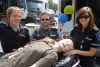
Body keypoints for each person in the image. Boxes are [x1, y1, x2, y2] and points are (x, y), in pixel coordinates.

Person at [0, 37, 74, 67]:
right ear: (61, 40)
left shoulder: (53, 55)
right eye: (67, 41)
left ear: (66, 50)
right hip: (6, 59)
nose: (67, 43)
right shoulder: (45, 42)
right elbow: (25, 47)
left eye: (69, 45)